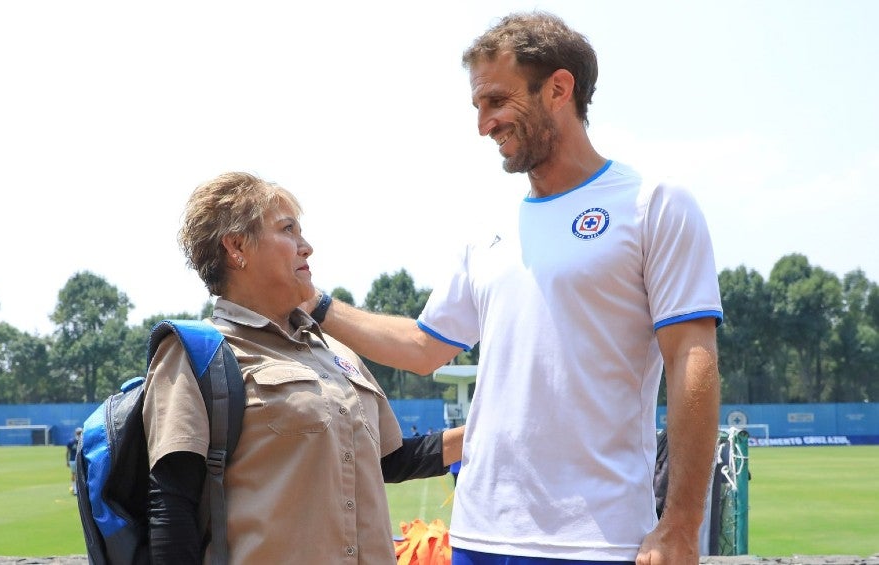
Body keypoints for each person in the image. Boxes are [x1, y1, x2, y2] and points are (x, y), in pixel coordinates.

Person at [306, 11, 722, 565]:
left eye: (497, 101)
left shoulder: (653, 204)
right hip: (478, 535)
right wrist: (314, 306)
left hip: (596, 541)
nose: (484, 124)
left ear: (558, 89)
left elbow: (692, 360)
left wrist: (682, 524)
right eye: (477, 106)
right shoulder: (487, 230)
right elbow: (424, 348)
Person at [142, 171, 463, 563]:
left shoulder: (336, 352)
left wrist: (485, 432)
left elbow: (391, 460)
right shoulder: (197, 353)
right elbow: (171, 503)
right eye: (287, 229)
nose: (306, 247)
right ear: (236, 246)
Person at [66, 427, 82, 495]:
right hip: (79, 460)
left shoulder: (71, 441)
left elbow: (67, 452)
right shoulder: (83, 441)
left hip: (72, 460)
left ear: (75, 433)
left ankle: (75, 489)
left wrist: (67, 461)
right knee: (80, 475)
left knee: (73, 474)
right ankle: (79, 490)